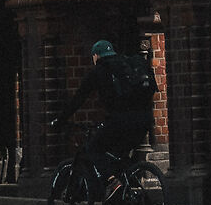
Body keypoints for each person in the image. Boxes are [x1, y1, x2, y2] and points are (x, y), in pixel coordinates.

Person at [57, 38, 155, 193]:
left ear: (96, 56)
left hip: (121, 121)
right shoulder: (127, 65)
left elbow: (78, 99)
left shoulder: (100, 70)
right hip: (145, 120)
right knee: (118, 155)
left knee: (93, 148)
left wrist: (60, 120)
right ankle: (125, 192)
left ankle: (112, 182)